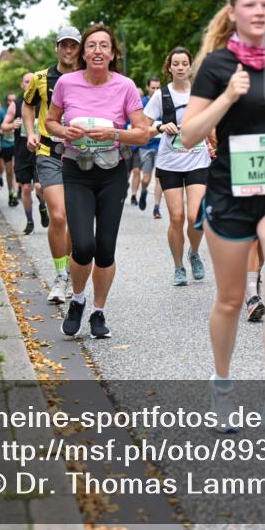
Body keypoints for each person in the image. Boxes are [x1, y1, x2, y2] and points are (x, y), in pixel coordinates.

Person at [184, 0, 265, 437]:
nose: (259, 11)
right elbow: (190, 134)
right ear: (233, 12)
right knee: (231, 299)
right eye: (250, 5)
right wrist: (228, 97)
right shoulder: (216, 67)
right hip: (229, 194)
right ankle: (222, 386)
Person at [45, 24, 149, 339]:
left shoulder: (126, 86)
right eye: (92, 45)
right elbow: (50, 121)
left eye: (104, 45)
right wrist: (65, 132)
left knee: (104, 249)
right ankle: (77, 299)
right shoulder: (66, 83)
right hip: (76, 170)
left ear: (113, 53)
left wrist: (115, 134)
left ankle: (98, 311)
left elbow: (143, 133)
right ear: (82, 52)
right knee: (83, 246)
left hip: (112, 172)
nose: (98, 51)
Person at [143, 47, 211, 286]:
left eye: (184, 63)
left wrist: (215, 144)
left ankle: (194, 253)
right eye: (176, 63)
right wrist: (161, 127)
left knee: (195, 216)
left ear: (190, 67)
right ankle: (178, 266)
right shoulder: (161, 95)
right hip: (170, 162)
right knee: (176, 218)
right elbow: (144, 128)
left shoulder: (201, 94)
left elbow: (212, 123)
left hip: (197, 159)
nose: (181, 67)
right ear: (169, 68)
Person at [24, 26, 80, 304]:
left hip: (80, 155)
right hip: (49, 151)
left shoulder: (88, 77)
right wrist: (31, 131)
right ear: (57, 48)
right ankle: (60, 277)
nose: (69, 50)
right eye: (64, 45)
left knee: (73, 220)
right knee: (58, 216)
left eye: (74, 46)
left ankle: (69, 271)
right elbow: (27, 105)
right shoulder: (40, 78)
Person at [4, 73, 48, 234]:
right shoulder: (16, 105)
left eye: (31, 81)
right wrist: (11, 125)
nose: (29, 84)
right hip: (22, 153)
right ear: (22, 85)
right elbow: (3, 126)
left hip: (40, 152)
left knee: (39, 187)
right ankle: (29, 221)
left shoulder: (43, 103)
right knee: (26, 188)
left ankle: (43, 206)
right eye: (26, 82)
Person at [130, 77, 161, 212]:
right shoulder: (142, 103)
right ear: (148, 87)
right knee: (146, 178)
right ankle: (143, 191)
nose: (155, 90)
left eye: (158, 88)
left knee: (160, 177)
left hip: (162, 145)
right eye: (153, 88)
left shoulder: (164, 100)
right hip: (146, 145)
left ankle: (156, 207)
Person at [0, 95, 19, 205]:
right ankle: (10, 192)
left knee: (14, 169)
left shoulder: (19, 108)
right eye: (9, 100)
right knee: (9, 171)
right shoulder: (1, 112)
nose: (11, 102)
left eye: (13, 100)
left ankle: (15, 194)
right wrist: (5, 131)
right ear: (6, 101)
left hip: (16, 144)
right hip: (5, 145)